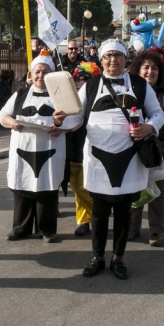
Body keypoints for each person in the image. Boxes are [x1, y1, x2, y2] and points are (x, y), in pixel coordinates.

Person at [78, 40, 164, 280]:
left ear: (125, 59)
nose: (112, 60)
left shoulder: (139, 85)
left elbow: (158, 113)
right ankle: (97, 257)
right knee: (99, 212)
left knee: (124, 211)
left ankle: (118, 258)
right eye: (108, 56)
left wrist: (149, 127)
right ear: (101, 60)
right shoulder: (90, 86)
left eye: (117, 56)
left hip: (129, 158)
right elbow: (74, 118)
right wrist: (58, 120)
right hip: (97, 158)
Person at [0, 51, 82, 242]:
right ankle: (21, 228)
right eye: (37, 71)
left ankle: (46, 230)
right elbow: (3, 114)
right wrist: (11, 123)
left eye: (45, 72)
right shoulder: (20, 94)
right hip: (23, 148)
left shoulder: (62, 96)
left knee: (47, 189)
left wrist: (61, 125)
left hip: (50, 148)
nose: (40, 75)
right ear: (31, 73)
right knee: (22, 187)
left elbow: (76, 119)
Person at [127, 50, 164, 246]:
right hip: (132, 150)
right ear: (138, 69)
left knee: (158, 194)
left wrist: (151, 130)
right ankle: (131, 228)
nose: (149, 72)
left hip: (159, 150)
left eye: (154, 68)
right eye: (146, 67)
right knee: (133, 191)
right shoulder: (128, 92)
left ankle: (156, 232)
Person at [68, 61, 102, 236]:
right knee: (77, 185)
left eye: (85, 79)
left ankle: (91, 217)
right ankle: (87, 218)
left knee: (90, 186)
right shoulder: (68, 98)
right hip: (74, 147)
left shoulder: (99, 98)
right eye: (76, 80)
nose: (79, 83)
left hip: (94, 148)